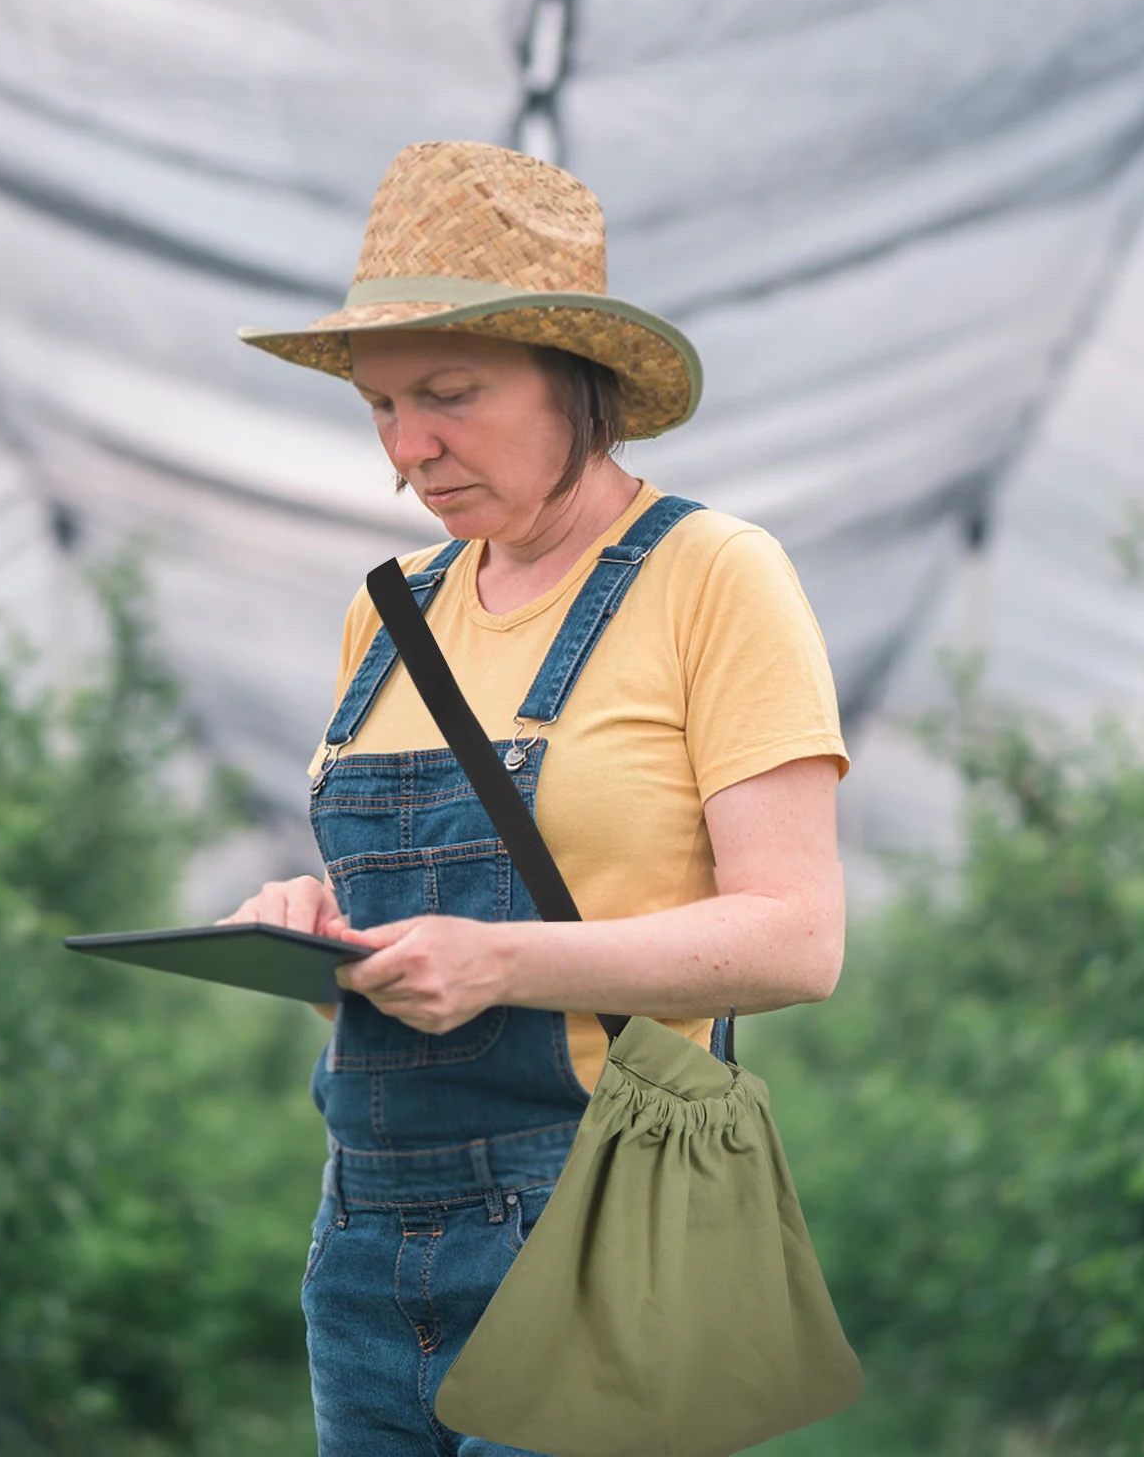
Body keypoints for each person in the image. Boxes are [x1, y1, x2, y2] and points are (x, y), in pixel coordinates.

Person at [226, 141, 849, 1456]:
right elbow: (424, 897)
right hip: (365, 1239)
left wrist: (502, 961)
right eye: (381, 405)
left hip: (597, 1221)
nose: (409, 449)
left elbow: (798, 937)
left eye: (448, 394)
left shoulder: (713, 578)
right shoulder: (390, 612)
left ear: (577, 381)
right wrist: (317, 916)